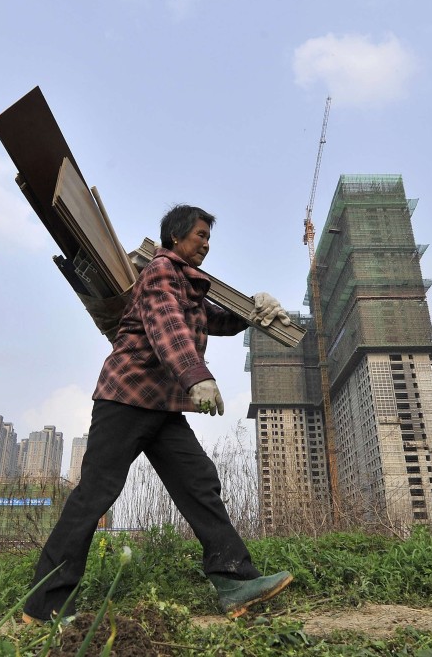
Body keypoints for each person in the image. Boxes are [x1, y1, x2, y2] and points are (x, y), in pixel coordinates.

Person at [22, 204, 294, 623]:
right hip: (127, 397)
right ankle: (46, 605)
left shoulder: (188, 285)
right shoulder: (161, 272)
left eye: (208, 237)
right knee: (96, 493)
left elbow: (211, 320)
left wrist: (251, 310)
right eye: (200, 235)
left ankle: (234, 581)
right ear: (174, 238)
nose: (206, 243)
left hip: (162, 405)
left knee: (199, 481)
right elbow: (167, 325)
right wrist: (196, 376)